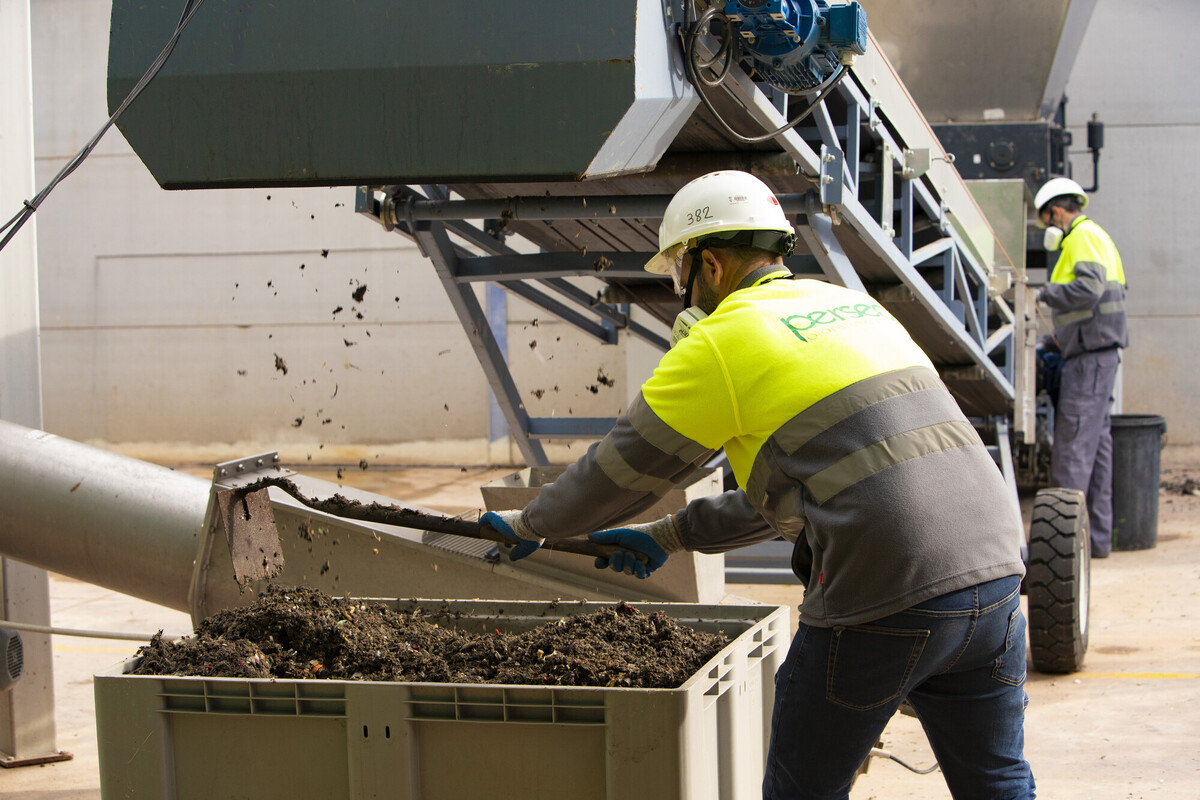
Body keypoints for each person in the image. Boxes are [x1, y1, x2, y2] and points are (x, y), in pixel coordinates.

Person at [482, 170, 1034, 799]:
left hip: (886, 586)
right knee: (997, 781)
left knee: (802, 791)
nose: (682, 294)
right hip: (995, 573)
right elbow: (824, 484)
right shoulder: (855, 307)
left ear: (709, 265)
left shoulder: (723, 341)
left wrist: (532, 524)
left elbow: (623, 470)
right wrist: (671, 534)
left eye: (679, 276)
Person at [1034, 177, 1128, 558]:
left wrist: (1045, 291)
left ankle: (1063, 552)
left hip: (1089, 357)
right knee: (1098, 449)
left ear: (1056, 211)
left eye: (1045, 221)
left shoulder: (1081, 237)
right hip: (1096, 351)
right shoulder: (1097, 236)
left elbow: (1088, 289)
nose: (1047, 230)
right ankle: (1099, 542)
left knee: (1072, 448)